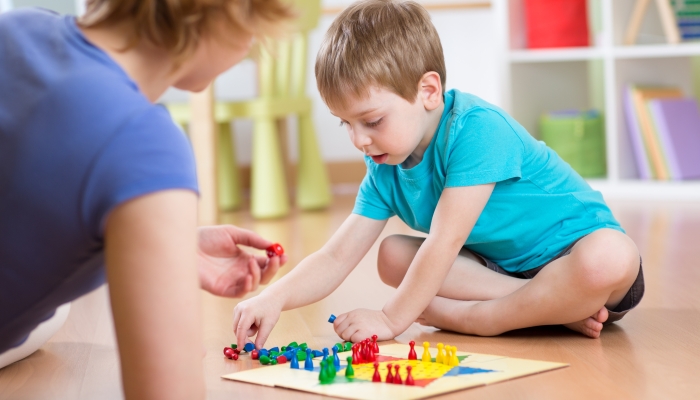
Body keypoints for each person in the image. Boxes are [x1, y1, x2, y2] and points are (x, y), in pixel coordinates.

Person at [233, 0, 645, 348]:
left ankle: (487, 320)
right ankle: (550, 310)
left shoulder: (477, 129)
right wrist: (274, 297)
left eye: (372, 121)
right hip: (503, 274)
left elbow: (444, 242)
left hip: (581, 266)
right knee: (393, 255)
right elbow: (336, 255)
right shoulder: (384, 164)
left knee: (611, 255)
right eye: (345, 124)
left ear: (428, 91)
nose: (359, 140)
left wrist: (392, 320)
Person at [0, 0, 292, 397]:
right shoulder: (143, 143)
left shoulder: (18, 27)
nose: (253, 41)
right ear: (221, 11)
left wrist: (165, 246)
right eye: (257, 19)